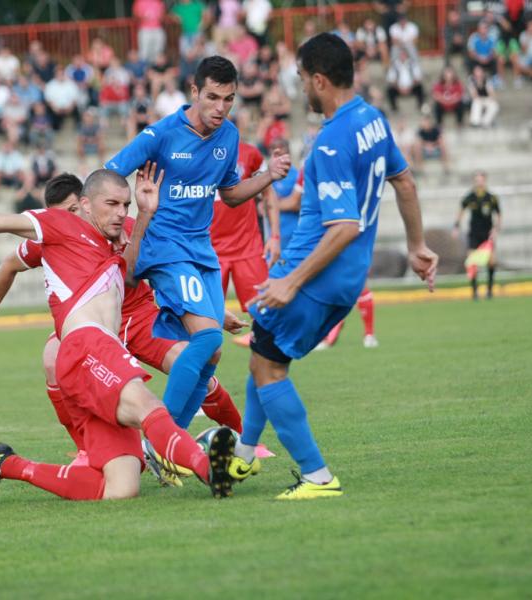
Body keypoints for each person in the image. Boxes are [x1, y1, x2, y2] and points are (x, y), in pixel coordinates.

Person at [0, 166, 238, 501]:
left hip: (100, 349)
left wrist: (146, 214)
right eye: (112, 204)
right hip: (87, 345)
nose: (121, 213)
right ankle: (208, 468)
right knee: (148, 407)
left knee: (120, 489)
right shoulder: (59, 224)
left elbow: (141, 273)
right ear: (85, 205)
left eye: (125, 205)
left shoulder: (122, 239)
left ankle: (9, 464)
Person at [229, 33, 437, 499]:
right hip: (346, 277)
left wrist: (291, 282)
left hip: (315, 274)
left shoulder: (331, 140)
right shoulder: (373, 121)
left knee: (269, 370)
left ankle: (316, 476)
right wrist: (417, 245)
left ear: (319, 80)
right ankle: (243, 456)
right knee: (264, 351)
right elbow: (404, 183)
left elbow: (342, 226)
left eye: (302, 79)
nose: (301, 88)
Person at [105, 56, 291, 435]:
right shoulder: (160, 135)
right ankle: (163, 440)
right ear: (194, 92)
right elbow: (108, 175)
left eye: (229, 99)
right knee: (207, 336)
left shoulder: (229, 137)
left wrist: (268, 176)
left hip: (201, 250)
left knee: (214, 351)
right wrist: (121, 223)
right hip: (164, 246)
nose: (220, 107)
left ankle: (170, 444)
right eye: (212, 97)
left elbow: (233, 194)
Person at [210, 136, 281, 344]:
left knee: (265, 314)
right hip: (208, 251)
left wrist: (275, 236)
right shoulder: (191, 152)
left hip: (247, 246)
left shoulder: (250, 153)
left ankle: (265, 362)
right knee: (202, 322)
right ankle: (203, 375)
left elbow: (269, 194)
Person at [453, 171, 500, 300]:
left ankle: (489, 291)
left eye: (481, 180)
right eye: (477, 180)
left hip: (487, 235)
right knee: (472, 262)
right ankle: (474, 292)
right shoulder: (470, 197)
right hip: (474, 235)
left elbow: (499, 214)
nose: (479, 182)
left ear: (485, 181)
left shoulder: (491, 198)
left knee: (491, 262)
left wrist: (496, 230)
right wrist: (456, 226)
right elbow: (460, 211)